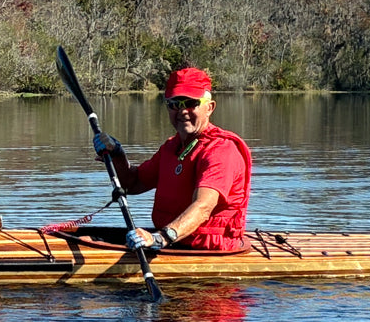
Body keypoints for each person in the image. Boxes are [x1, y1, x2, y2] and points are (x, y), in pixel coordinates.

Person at [93, 66, 252, 253]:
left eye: (191, 103)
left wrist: (160, 238)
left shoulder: (220, 150)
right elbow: (132, 183)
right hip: (174, 243)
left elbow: (203, 207)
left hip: (210, 249)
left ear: (209, 108)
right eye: (174, 104)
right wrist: (117, 155)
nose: (182, 111)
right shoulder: (172, 147)